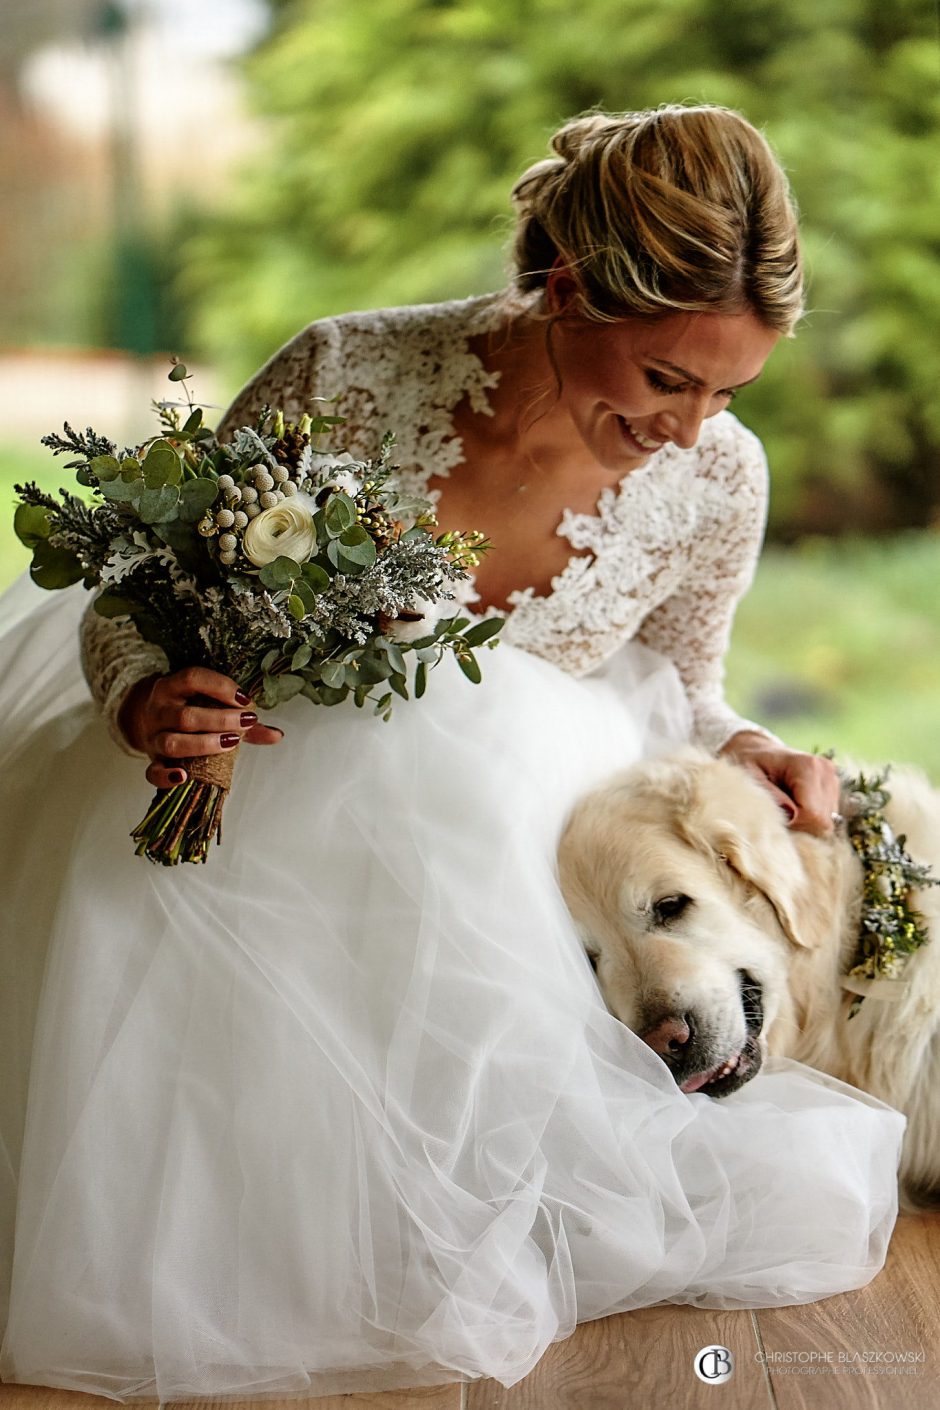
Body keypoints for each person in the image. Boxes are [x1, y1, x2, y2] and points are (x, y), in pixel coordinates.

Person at [0, 106, 903, 1402]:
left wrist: (753, 743)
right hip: (271, 808)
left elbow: (686, 687)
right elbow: (148, 594)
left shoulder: (722, 481)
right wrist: (155, 698)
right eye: (665, 378)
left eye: (730, 391)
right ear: (568, 287)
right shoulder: (345, 382)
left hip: (496, 864)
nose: (697, 429)